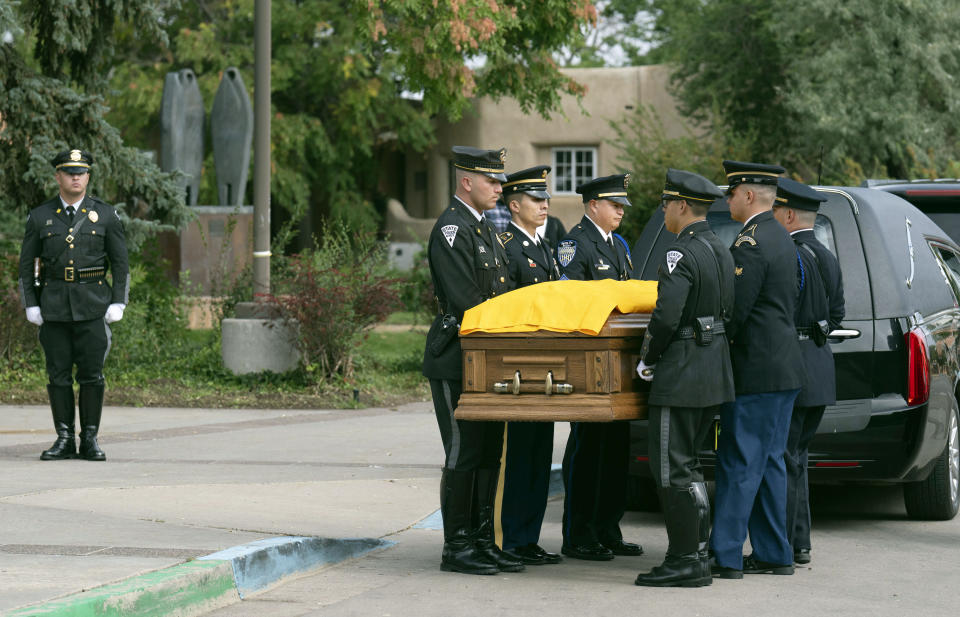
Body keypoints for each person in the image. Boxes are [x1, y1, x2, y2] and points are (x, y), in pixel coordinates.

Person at [422, 145, 524, 575]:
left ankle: (483, 539)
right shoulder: (452, 229)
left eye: (499, 181)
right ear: (467, 182)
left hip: (488, 358)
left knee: (488, 453)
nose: (499, 188)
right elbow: (467, 301)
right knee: (463, 453)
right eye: (492, 181)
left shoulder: (483, 228)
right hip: (457, 357)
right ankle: (457, 545)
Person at [633, 169, 735, 588]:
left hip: (681, 372)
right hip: (712, 371)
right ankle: (698, 554)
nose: (664, 211)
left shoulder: (679, 254)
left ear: (679, 206)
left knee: (671, 470)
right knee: (689, 466)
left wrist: (647, 359)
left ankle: (684, 559)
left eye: (665, 204)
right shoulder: (721, 247)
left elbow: (666, 316)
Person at [709, 160, 803, 579]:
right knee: (768, 463)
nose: (727, 200)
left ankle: (725, 554)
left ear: (748, 195)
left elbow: (736, 312)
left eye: (731, 193)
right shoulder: (782, 237)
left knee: (740, 461)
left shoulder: (751, 243)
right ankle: (774, 553)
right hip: (782, 368)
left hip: (756, 371)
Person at [18, 148, 129, 462]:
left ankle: (89, 439)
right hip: (52, 307)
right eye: (69, 172)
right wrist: (31, 304)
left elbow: (121, 265)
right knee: (58, 376)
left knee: (92, 376)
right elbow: (27, 266)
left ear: (88, 176)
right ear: (58, 176)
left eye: (81, 172)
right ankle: (64, 438)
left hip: (94, 305)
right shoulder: (40, 216)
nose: (75, 177)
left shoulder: (106, 215)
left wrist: (118, 301)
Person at [555, 173, 642, 561]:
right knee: (589, 451)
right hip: (591, 367)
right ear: (593, 206)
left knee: (615, 452)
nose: (621, 210)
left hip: (618, 369)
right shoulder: (576, 245)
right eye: (614, 204)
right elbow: (571, 304)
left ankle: (608, 527)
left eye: (622, 205)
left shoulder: (619, 245)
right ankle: (579, 533)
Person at [772, 177, 845, 566]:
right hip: (819, 367)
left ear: (786, 214)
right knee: (796, 458)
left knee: (785, 458)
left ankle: (783, 544)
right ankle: (800, 542)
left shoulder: (790, 255)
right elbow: (836, 316)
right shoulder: (828, 257)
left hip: (793, 369)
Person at [495, 165, 562, 566]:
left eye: (546, 199)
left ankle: (528, 537)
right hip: (518, 367)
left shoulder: (545, 245)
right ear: (514, 205)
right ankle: (509, 539)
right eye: (536, 201)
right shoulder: (507, 246)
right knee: (518, 456)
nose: (545, 205)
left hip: (547, 365)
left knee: (538, 455)